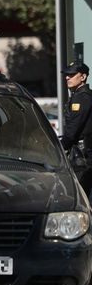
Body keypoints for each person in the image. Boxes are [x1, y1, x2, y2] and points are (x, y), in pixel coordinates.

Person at [60, 61, 92, 194]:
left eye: (72, 74)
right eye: (67, 74)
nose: (67, 77)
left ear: (83, 77)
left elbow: (73, 129)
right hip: (84, 154)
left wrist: (60, 147)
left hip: (82, 156)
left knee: (80, 195)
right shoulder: (80, 95)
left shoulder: (82, 97)